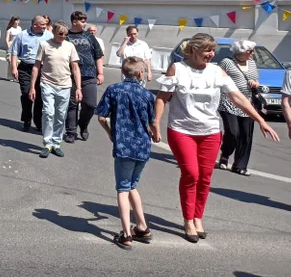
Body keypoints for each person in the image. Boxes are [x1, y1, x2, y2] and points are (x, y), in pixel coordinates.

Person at [155, 33, 279, 243]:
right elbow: (162, 98)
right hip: (181, 130)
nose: (211, 54)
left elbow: (237, 97)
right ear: (194, 49)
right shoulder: (178, 69)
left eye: (212, 50)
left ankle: (197, 217)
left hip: (210, 131)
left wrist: (260, 120)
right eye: (207, 50)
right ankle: (187, 220)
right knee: (191, 174)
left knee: (205, 178)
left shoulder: (217, 71)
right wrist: (155, 123)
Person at [97, 57, 156, 249]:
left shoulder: (114, 90)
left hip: (123, 144)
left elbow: (101, 117)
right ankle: (142, 226)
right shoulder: (147, 95)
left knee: (123, 188)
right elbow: (152, 121)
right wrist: (155, 134)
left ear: (123, 72)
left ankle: (127, 233)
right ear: (140, 74)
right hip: (142, 145)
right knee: (133, 185)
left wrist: (110, 133)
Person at [30, 21, 81, 158]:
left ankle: (56, 143)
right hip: (47, 84)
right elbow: (36, 66)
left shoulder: (70, 46)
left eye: (65, 34)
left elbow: (75, 68)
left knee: (60, 115)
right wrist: (32, 87)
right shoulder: (45, 45)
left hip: (65, 85)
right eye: (60, 33)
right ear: (53, 32)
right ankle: (47, 143)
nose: (63, 36)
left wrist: (79, 88)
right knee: (48, 112)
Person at [216, 39, 262, 176]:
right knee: (233, 132)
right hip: (228, 102)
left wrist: (256, 83)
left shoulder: (252, 63)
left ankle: (240, 165)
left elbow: (257, 79)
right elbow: (218, 79)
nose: (253, 53)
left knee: (246, 135)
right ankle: (225, 154)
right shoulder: (226, 62)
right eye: (250, 51)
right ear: (241, 52)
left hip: (247, 103)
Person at [65, 11, 104, 143]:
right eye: (82, 21)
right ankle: (71, 131)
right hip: (70, 76)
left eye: (85, 20)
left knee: (91, 104)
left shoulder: (89, 37)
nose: (85, 23)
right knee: (72, 104)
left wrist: (100, 73)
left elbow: (98, 55)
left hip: (89, 75)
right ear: (74, 22)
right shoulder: (66, 36)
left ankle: (83, 124)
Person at [10, 15, 52, 132]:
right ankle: (27, 119)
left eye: (46, 25)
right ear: (35, 25)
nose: (45, 27)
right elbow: (14, 53)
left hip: (43, 69)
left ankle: (38, 121)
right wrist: (14, 68)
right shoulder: (22, 35)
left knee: (40, 96)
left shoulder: (49, 35)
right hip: (26, 68)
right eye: (43, 25)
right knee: (26, 94)